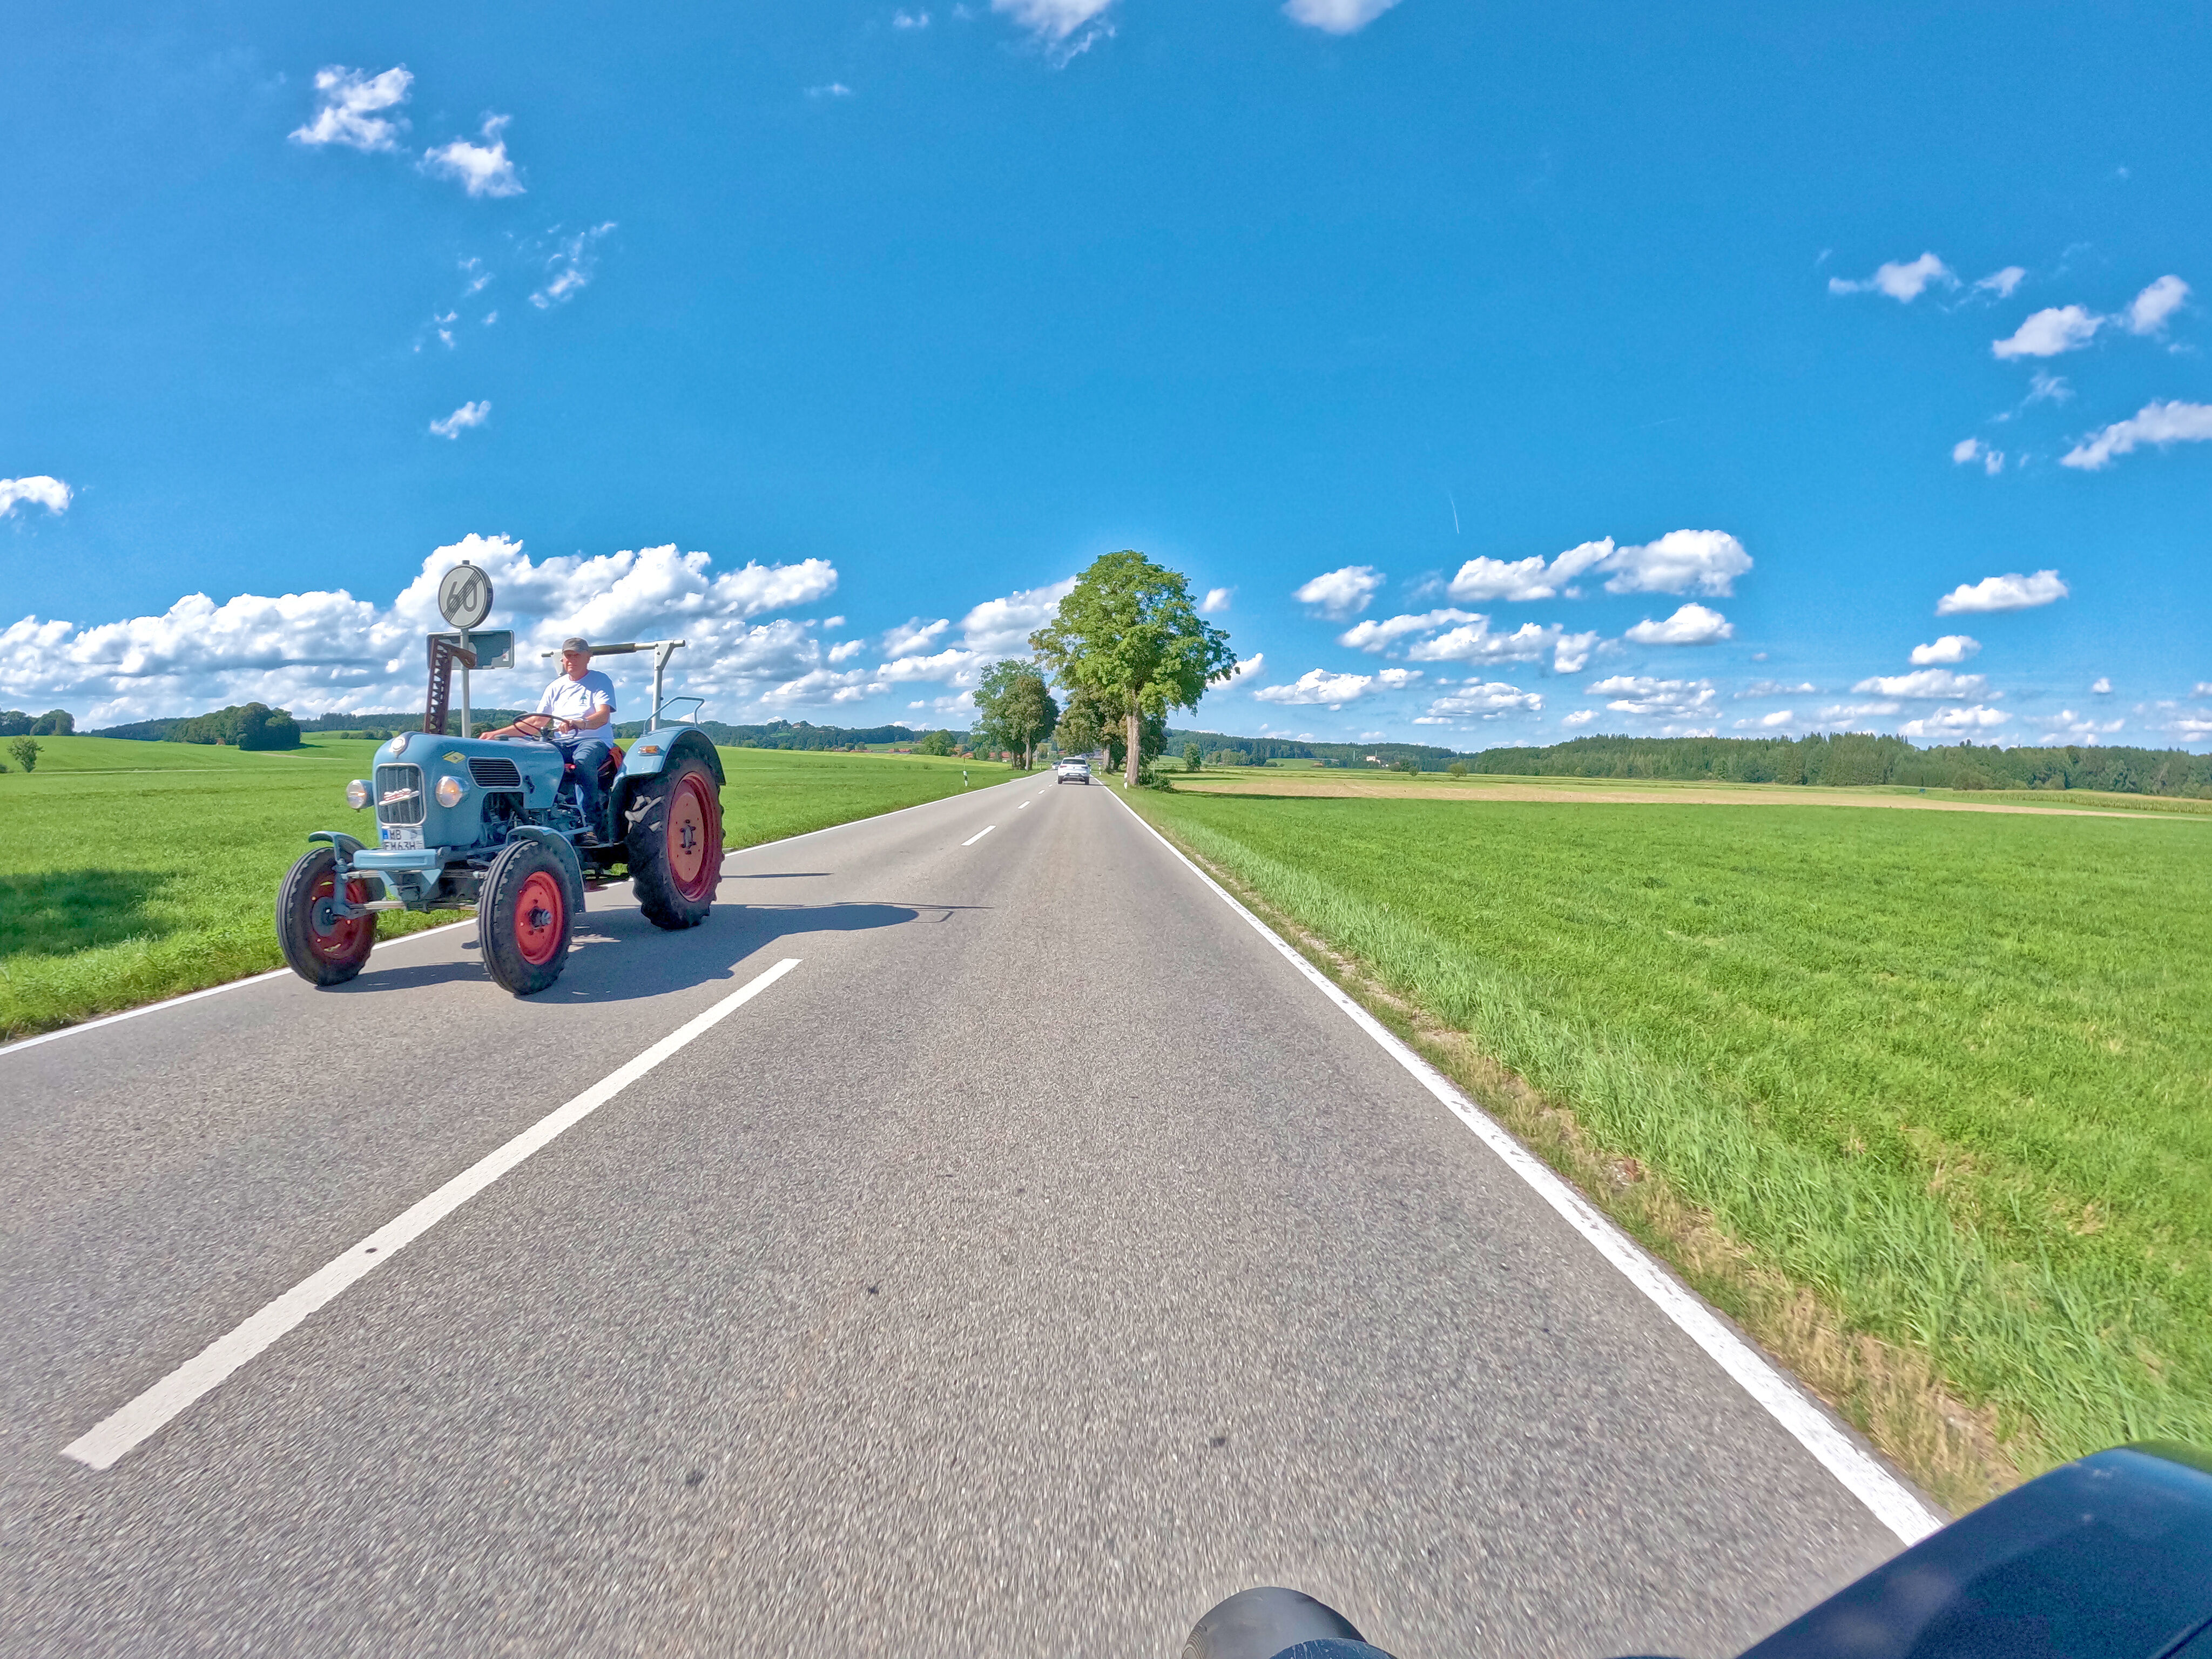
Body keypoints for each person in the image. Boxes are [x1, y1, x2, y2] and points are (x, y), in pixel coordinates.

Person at [485, 637, 617, 837]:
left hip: (592, 740)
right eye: (568, 655)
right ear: (563, 659)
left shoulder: (599, 680)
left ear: (588, 658)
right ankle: (525, 817)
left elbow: (602, 716)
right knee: (529, 757)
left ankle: (592, 823)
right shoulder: (556, 687)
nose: (572, 659)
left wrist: (579, 722)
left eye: (577, 655)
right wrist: (496, 734)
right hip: (561, 742)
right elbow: (537, 722)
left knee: (582, 761)